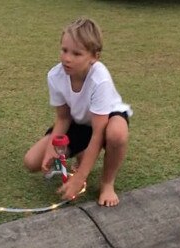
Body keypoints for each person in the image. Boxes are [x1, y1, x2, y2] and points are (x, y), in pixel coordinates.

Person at [24, 18, 133, 206]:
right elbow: (63, 117)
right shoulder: (55, 76)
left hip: (107, 121)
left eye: (76, 53)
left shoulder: (100, 79)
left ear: (94, 57)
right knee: (32, 161)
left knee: (117, 133)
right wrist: (52, 149)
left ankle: (107, 183)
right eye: (64, 50)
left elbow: (99, 131)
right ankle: (81, 151)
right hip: (80, 123)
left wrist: (80, 177)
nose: (67, 58)